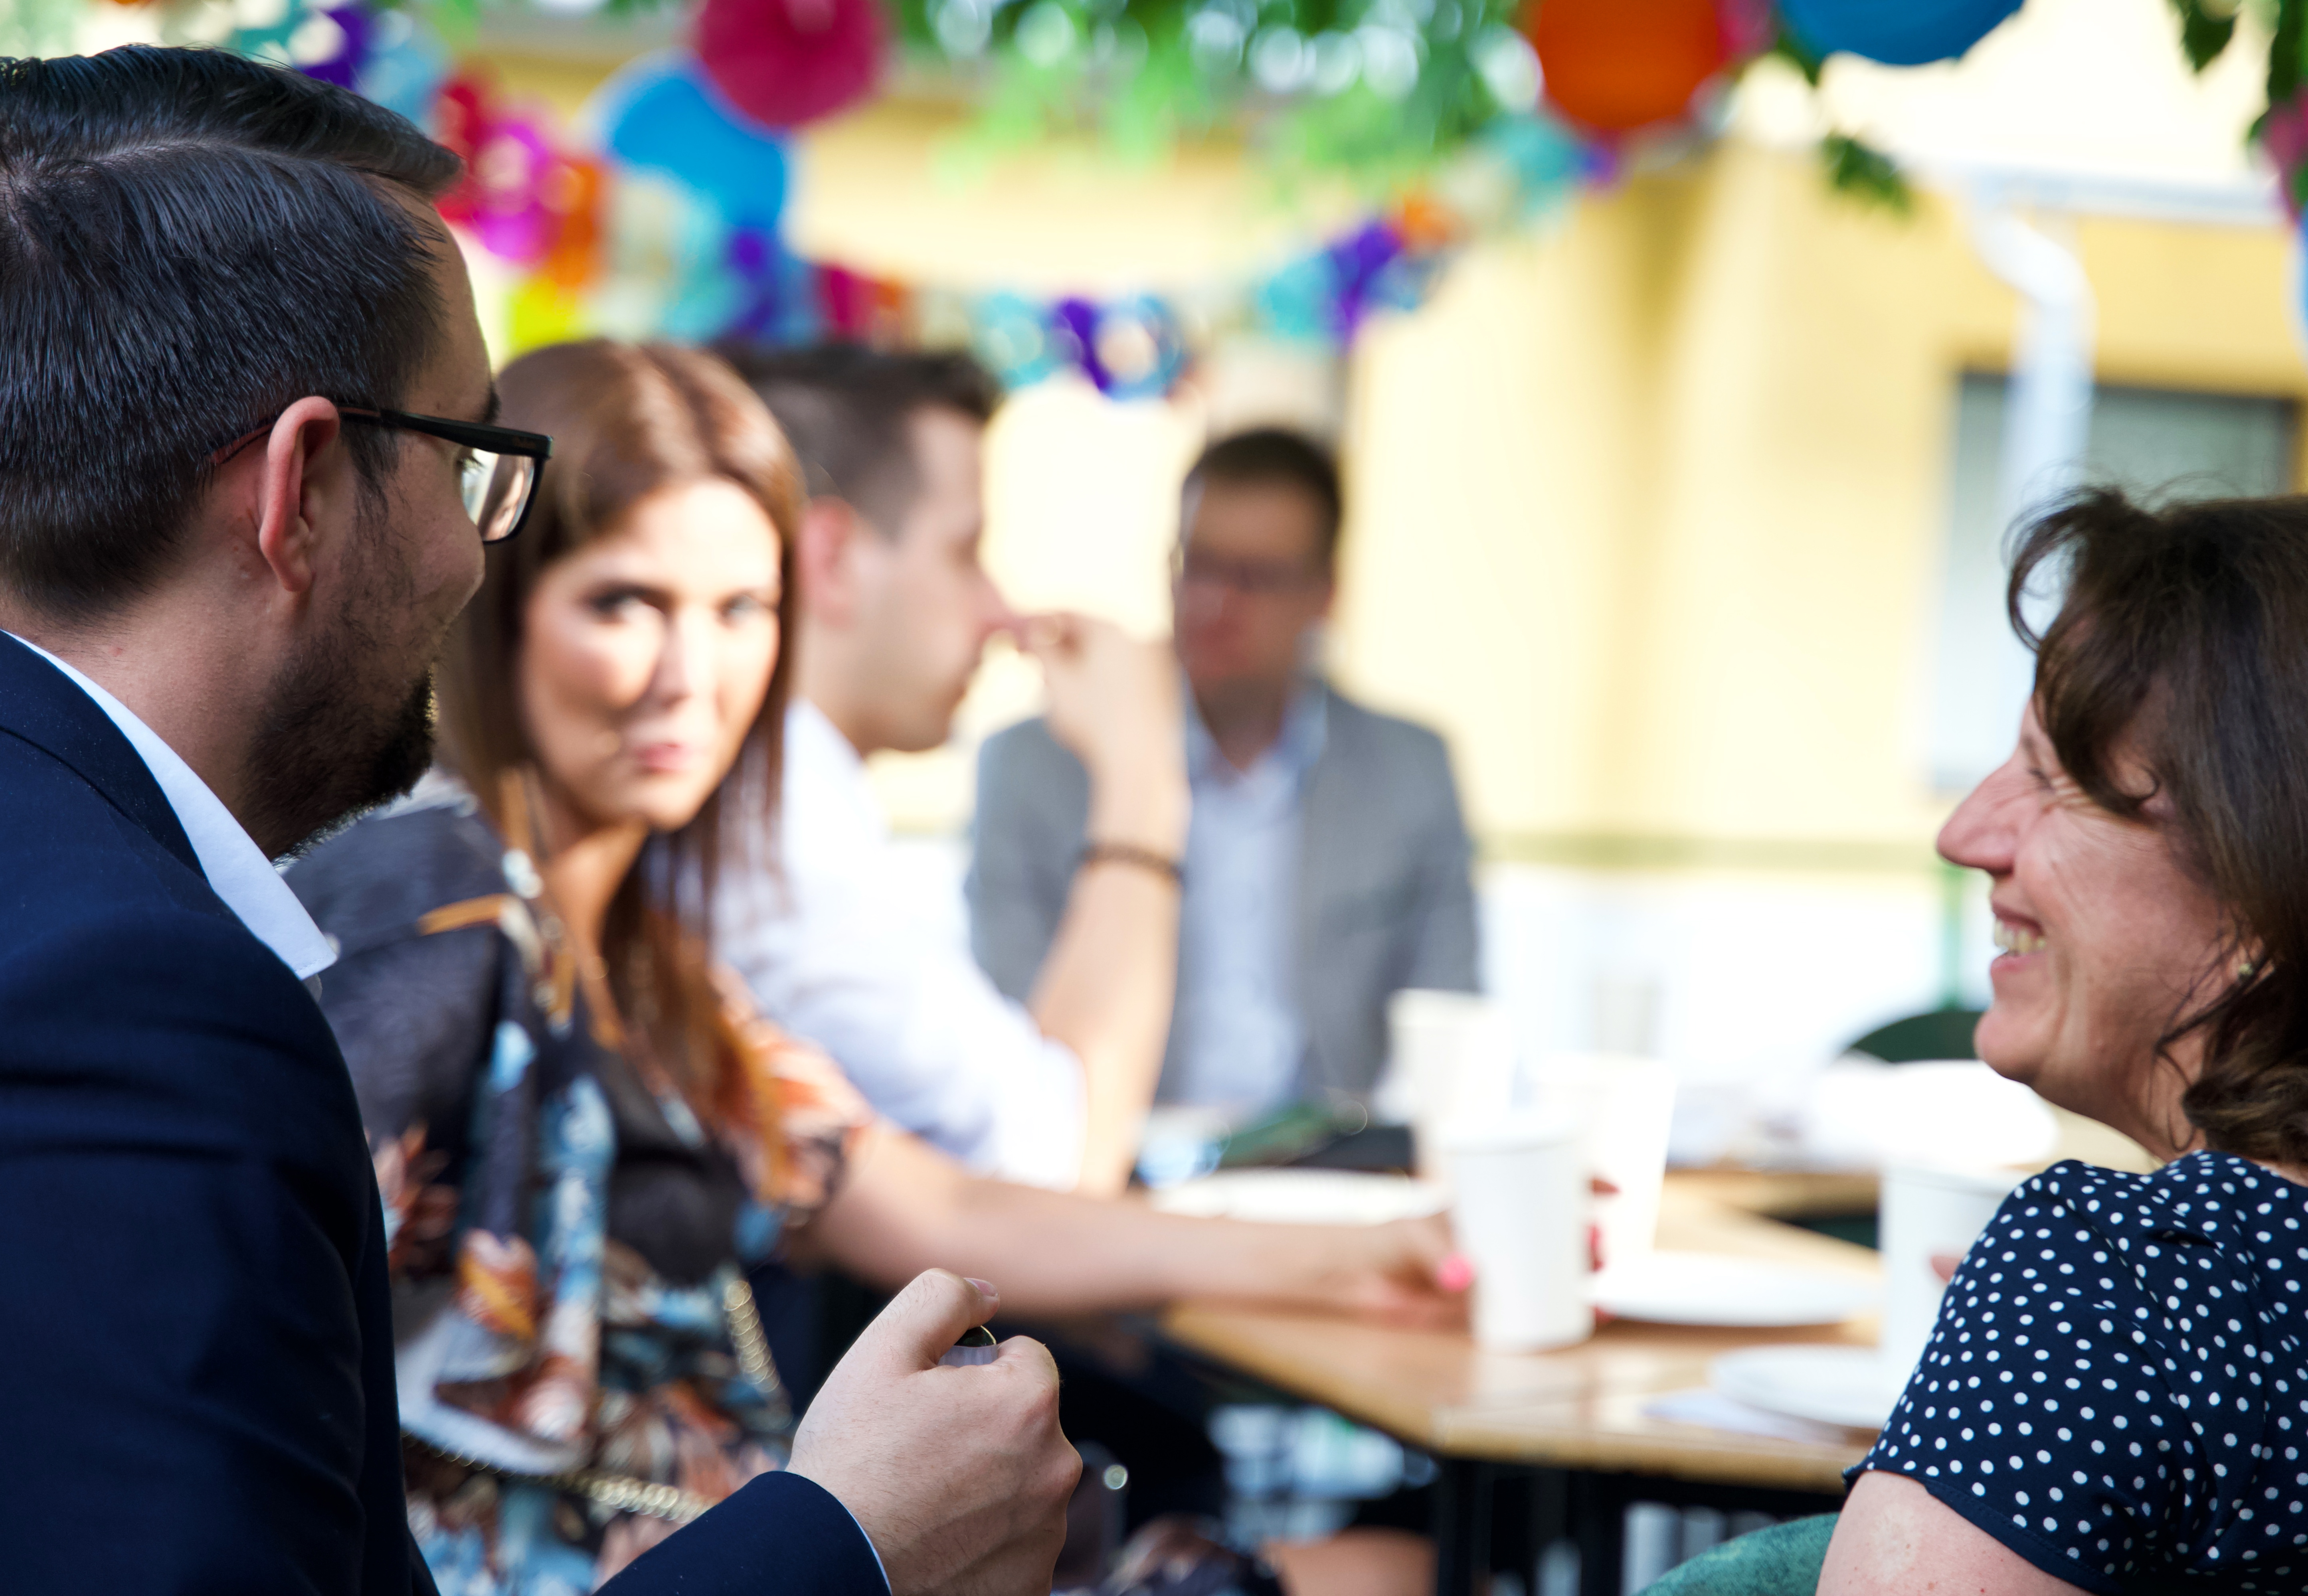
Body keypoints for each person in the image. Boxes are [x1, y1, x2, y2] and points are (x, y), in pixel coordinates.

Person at [0, 45, 1080, 1596]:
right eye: (469, 466)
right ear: (304, 490)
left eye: (743, 608)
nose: (472, 559)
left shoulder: (121, 909)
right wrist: (845, 1541)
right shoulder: (160, 995)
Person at [285, 338, 1464, 1594]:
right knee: (1395, 1573)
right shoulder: (440, 905)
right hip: (648, 1570)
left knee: (1395, 1567)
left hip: (763, 1549)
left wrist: (1387, 1252)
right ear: (501, 603)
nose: (694, 677)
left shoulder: (638, 954)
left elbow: (950, 1209)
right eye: (625, 604)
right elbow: (263, 1347)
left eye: (742, 612)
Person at [1809, 490, 2308, 1594]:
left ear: (2267, 887)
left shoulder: (2122, 1277)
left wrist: (2068, 1324)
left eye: (2055, 778)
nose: (1965, 834)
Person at [708, 343, 1187, 1193]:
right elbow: (1058, 1165)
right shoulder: (780, 846)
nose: (1001, 612)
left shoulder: (793, 810)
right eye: (965, 551)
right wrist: (1143, 778)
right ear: (831, 560)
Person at [972, 428, 1478, 1119]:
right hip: (1113, 1150)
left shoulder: (1409, 773)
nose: (1215, 605)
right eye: (1199, 566)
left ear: (1324, 593)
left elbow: (1452, 1026)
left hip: (1329, 1157)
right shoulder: (1036, 765)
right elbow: (1014, 1042)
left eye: (1256, 578)